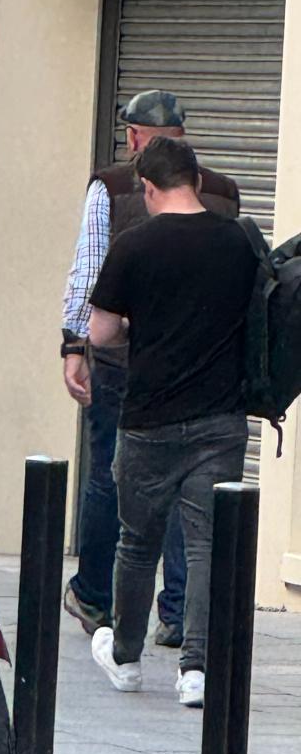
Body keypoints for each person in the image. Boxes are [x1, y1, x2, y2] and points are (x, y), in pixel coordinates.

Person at [62, 89, 241, 646]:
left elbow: (88, 271)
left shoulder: (112, 186)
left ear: (135, 137)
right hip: (213, 380)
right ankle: (180, 615)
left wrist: (73, 346)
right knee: (197, 507)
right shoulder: (225, 195)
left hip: (129, 371)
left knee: (112, 482)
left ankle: (100, 602)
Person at [86, 135, 256, 711]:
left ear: (149, 188)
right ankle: (196, 670)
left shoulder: (134, 244)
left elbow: (101, 332)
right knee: (206, 545)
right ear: (198, 182)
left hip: (149, 417)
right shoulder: (238, 241)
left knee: (138, 542)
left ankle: (126, 657)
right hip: (221, 418)